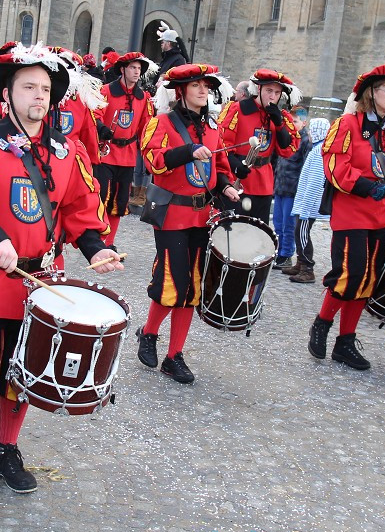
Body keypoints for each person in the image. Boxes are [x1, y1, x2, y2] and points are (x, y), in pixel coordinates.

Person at [0, 45, 122, 493]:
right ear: (8, 94)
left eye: (46, 89)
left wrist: (95, 249)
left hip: (42, 279)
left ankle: (5, 448)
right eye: (29, 87)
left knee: (26, 368)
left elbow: (79, 208)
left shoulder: (67, 150)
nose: (38, 96)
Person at [309, 63, 385, 371]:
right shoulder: (348, 125)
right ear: (371, 92)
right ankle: (322, 323)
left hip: (381, 216)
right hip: (351, 214)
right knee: (350, 274)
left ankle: (345, 341)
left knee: (368, 279)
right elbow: (334, 166)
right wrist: (367, 186)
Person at [137, 63, 240, 383]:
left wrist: (226, 187)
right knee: (173, 282)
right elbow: (152, 160)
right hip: (171, 215)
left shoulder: (212, 127)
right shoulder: (162, 123)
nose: (203, 91)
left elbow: (220, 166)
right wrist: (187, 152)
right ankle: (150, 333)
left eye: (206, 86)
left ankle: (174, 355)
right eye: (196, 86)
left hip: (201, 216)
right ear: (180, 91)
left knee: (193, 288)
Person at [217, 69, 301, 223]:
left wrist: (279, 123)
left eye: (277, 93)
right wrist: (236, 166)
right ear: (258, 89)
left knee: (259, 234)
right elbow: (223, 145)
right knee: (234, 232)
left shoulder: (279, 116)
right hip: (237, 180)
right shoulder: (238, 109)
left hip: (263, 183)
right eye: (269, 90)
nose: (272, 96)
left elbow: (288, 150)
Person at [94, 51, 155, 247]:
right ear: (123, 69)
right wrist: (100, 127)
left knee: (120, 202)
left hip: (128, 156)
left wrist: (148, 153)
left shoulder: (143, 97)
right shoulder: (106, 91)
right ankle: (97, 239)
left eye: (139, 68)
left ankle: (109, 242)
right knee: (102, 197)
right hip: (107, 153)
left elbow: (147, 127)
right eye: (132, 68)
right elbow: (94, 114)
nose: (137, 72)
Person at [284, 117, 331, 283]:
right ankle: (300, 262)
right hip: (305, 202)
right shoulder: (317, 149)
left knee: (302, 233)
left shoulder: (320, 152)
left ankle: (307, 268)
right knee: (299, 232)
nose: (310, 133)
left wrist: (305, 207)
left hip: (308, 205)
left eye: (312, 129)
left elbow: (315, 181)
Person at [272, 107, 310, 268]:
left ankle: (286, 254)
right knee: (278, 223)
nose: (292, 125)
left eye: (295, 121)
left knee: (288, 225)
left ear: (303, 122)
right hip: (280, 186)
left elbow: (305, 167)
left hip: (292, 189)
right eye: (290, 121)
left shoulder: (305, 141)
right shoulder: (286, 138)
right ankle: (280, 251)